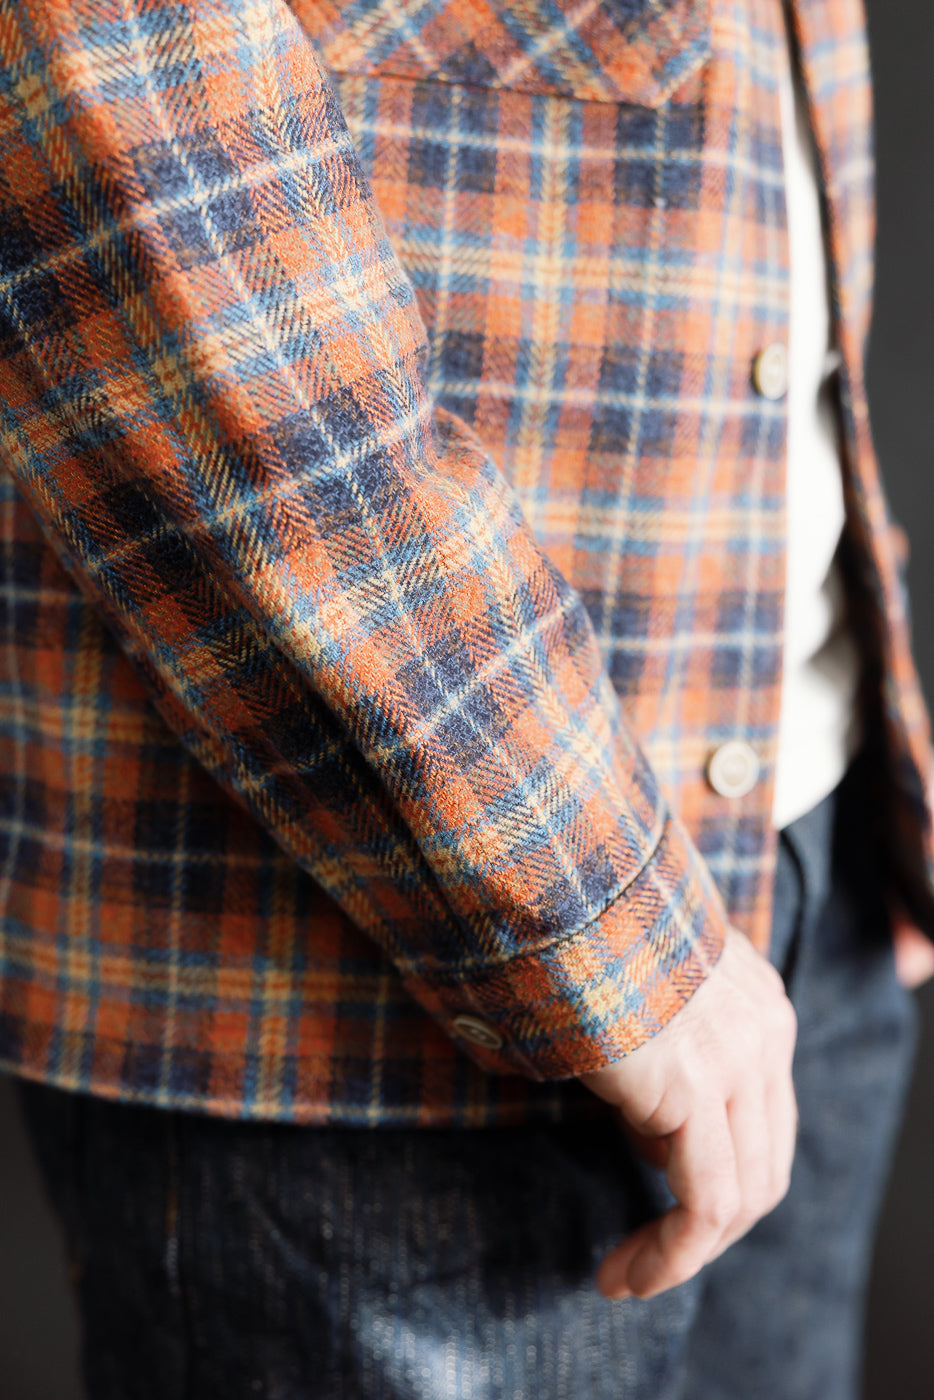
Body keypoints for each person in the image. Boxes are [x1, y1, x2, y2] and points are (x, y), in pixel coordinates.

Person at [1, 0, 932, 1394]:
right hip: (365, 969)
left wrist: (870, 728)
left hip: (800, 872)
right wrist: (601, 908)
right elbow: (152, 177)